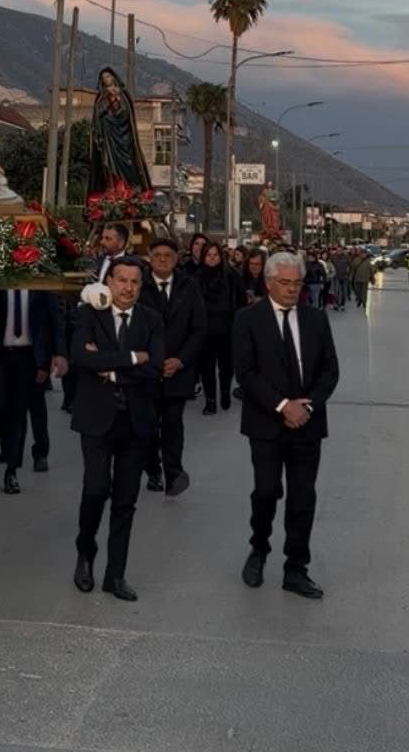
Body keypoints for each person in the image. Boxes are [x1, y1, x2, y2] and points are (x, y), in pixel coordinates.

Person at [233, 251, 339, 600]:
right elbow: (246, 373)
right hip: (265, 422)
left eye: (297, 283)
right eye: (285, 283)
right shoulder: (247, 319)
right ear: (268, 283)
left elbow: (330, 371)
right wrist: (282, 406)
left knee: (302, 498)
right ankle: (259, 548)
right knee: (266, 492)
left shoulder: (316, 319)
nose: (292, 289)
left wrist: (307, 405)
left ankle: (296, 568)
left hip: (307, 423)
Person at [71, 258, 164, 602]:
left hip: (137, 422)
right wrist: (130, 359)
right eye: (121, 280)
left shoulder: (151, 320)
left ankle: (115, 575)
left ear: (142, 285)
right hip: (96, 419)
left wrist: (109, 366)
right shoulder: (88, 315)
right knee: (95, 490)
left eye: (134, 282)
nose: (127, 288)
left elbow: (154, 367)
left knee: (126, 501)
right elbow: (81, 357)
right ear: (108, 281)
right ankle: (85, 552)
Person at [0, 290, 67, 491]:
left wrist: (55, 355)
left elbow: (53, 320)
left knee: (18, 414)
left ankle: (11, 471)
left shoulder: (39, 283)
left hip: (27, 357)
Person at [139, 238, 206, 495]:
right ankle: (152, 469)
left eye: (168, 255)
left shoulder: (189, 286)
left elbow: (199, 329)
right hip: (147, 370)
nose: (163, 260)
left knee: (173, 424)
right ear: (150, 258)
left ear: (177, 258)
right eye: (158, 255)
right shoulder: (140, 285)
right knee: (146, 426)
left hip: (178, 370)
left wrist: (180, 360)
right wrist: (152, 360)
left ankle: (173, 473)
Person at [195, 241, 246, 415]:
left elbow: (241, 303)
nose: (212, 258)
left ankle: (225, 392)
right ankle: (210, 400)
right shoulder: (196, 277)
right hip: (204, 330)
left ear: (221, 256)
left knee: (226, 367)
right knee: (206, 368)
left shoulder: (232, 276)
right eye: (208, 255)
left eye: (215, 255)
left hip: (227, 329)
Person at [88, 67, 152, 198]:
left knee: (129, 163)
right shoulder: (101, 97)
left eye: (108, 76)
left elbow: (126, 114)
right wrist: (108, 102)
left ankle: (131, 190)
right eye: (104, 78)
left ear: (114, 77)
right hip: (109, 137)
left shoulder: (123, 95)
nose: (107, 79)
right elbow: (98, 115)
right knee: (109, 164)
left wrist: (117, 100)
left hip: (124, 137)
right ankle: (112, 191)